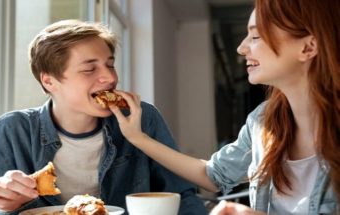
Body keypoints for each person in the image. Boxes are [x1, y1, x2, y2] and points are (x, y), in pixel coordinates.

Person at [108, 0, 340, 214]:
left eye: (256, 37)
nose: (241, 48)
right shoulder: (263, 121)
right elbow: (212, 175)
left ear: (308, 48)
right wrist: (138, 138)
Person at [0, 20, 207, 215]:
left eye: (110, 65)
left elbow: (182, 196)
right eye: (89, 69)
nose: (111, 78)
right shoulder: (12, 130)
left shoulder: (142, 118)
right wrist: (5, 204)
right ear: (49, 82)